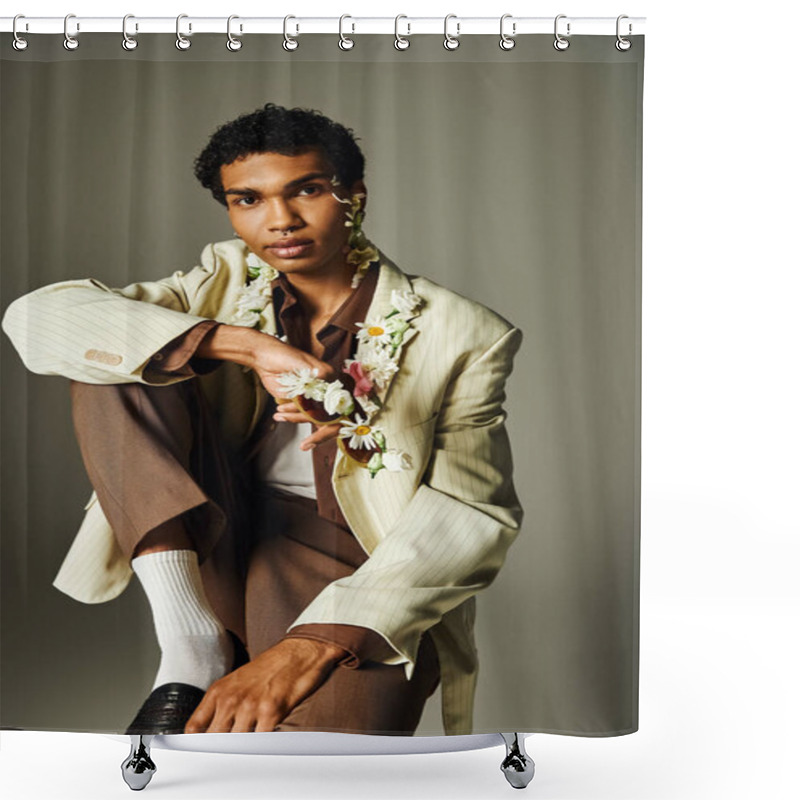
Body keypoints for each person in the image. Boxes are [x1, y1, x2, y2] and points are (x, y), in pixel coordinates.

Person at [1, 102, 523, 737]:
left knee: (318, 768)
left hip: (356, 563)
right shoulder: (221, 279)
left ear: (354, 196)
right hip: (217, 525)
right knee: (116, 357)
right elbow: (38, 319)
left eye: (307, 190)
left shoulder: (462, 331)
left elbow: (473, 511)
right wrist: (247, 346)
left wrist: (311, 646)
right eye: (247, 199)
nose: (279, 220)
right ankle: (191, 642)